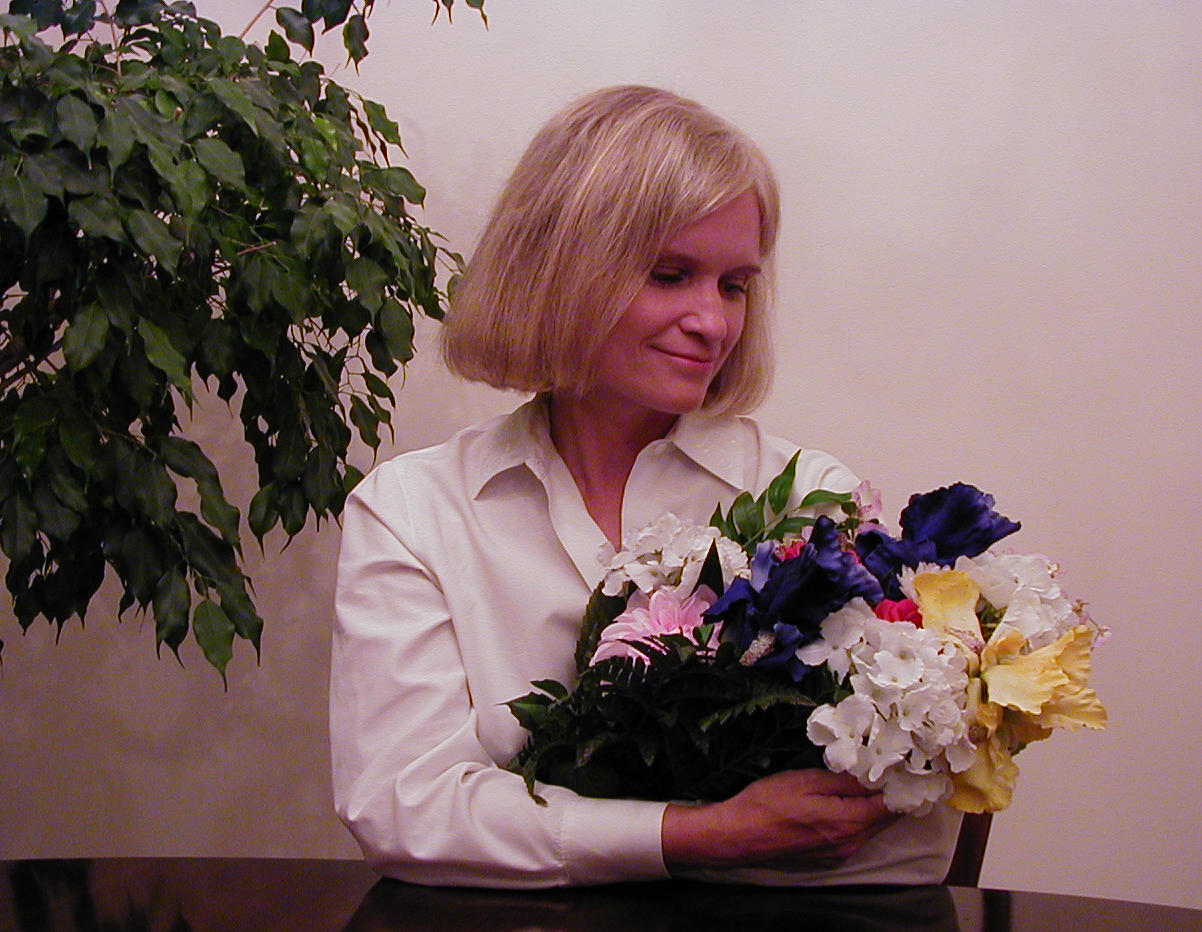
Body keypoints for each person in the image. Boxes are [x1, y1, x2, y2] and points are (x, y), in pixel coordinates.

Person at [330, 85, 962, 888]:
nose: (713, 322)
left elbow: (903, 828)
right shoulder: (414, 512)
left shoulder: (811, 501)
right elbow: (405, 805)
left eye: (734, 285)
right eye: (670, 275)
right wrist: (702, 835)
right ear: (556, 271)